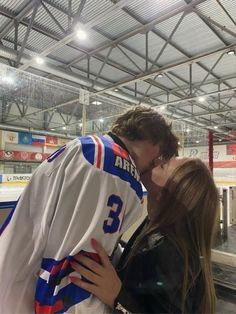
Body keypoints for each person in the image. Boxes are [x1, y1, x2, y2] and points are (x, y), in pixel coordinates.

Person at [0, 106, 178, 313]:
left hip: (13, 286)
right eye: (161, 157)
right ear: (155, 143)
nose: (156, 165)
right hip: (21, 300)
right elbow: (72, 275)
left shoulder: (90, 147)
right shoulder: (114, 167)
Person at [70, 157, 219, 314]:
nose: (155, 161)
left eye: (162, 166)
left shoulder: (170, 256)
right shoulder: (154, 224)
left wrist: (117, 298)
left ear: (166, 194)